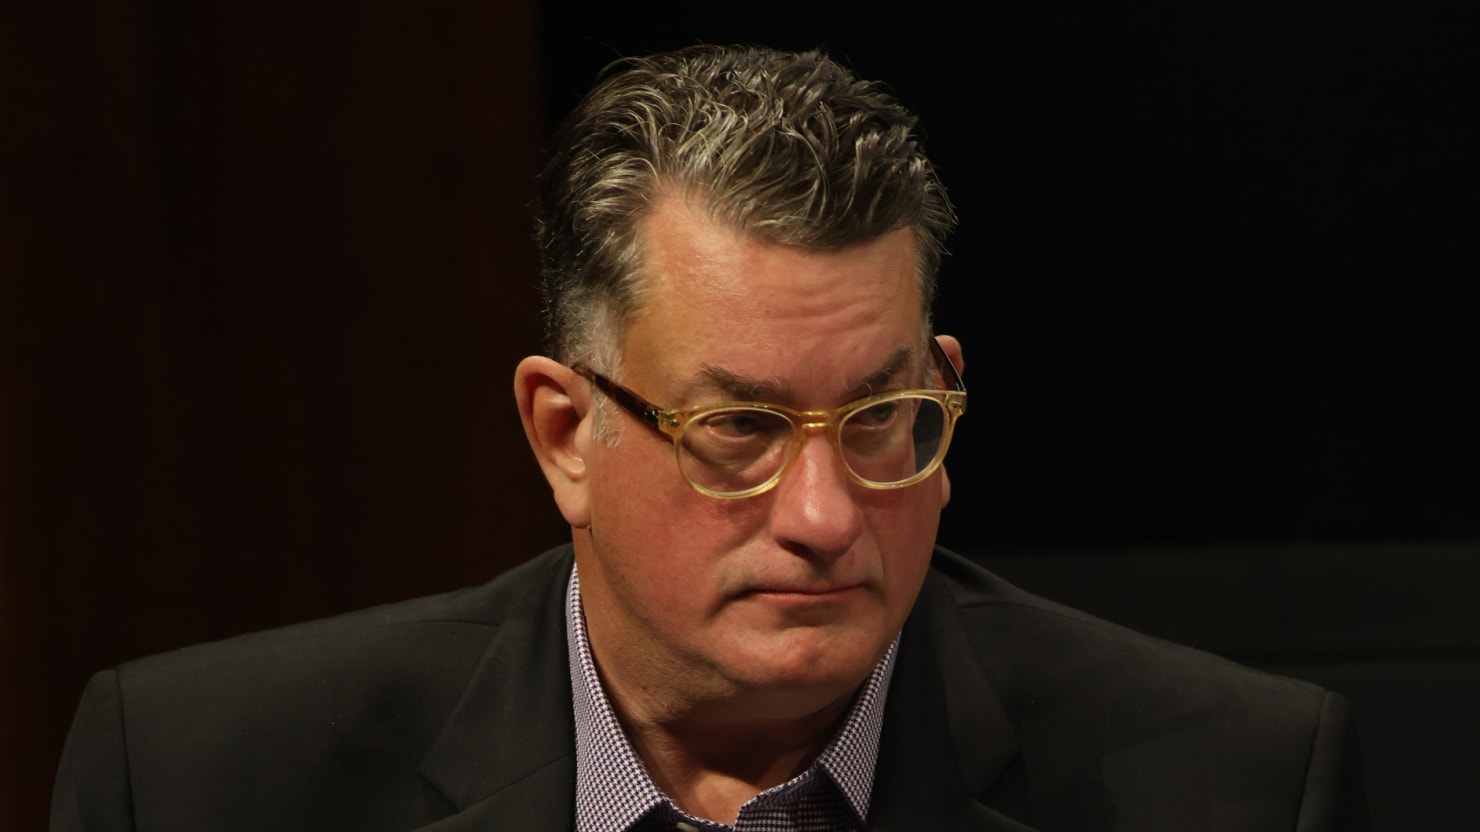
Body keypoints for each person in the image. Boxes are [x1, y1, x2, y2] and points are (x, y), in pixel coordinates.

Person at [52, 45, 1369, 831]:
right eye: (738, 428)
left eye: (882, 419)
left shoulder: (1235, 788)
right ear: (565, 432)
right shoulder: (199, 780)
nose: (825, 513)